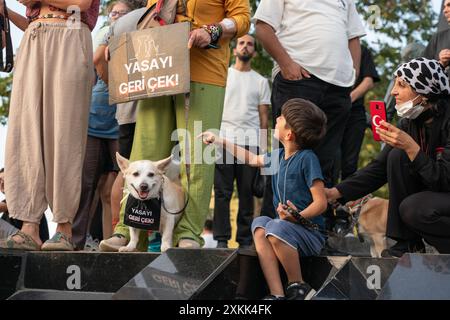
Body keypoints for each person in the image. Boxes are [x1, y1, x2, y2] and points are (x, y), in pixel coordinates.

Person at [99, 0, 251, 251]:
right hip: (157, 69)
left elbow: (242, 18)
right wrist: (124, 48)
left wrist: (211, 31)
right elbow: (153, 17)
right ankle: (129, 231)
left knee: (198, 156)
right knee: (144, 152)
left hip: (203, 71)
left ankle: (188, 233)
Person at [199, 98, 328, 300]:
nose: (276, 118)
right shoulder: (277, 157)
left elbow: (321, 203)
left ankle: (298, 285)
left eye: (282, 118)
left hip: (310, 233)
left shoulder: (307, 158)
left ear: (289, 134)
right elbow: (251, 159)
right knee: (260, 224)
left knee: (275, 227)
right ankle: (277, 293)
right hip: (286, 229)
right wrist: (220, 140)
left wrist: (297, 216)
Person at [253, 0, 366, 228]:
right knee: (288, 158)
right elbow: (263, 27)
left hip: (338, 87)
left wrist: (352, 74)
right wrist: (286, 64)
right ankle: (276, 229)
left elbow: (353, 37)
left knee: (326, 163)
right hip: (299, 78)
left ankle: (316, 232)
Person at [0, 0, 99, 251]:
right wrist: (7, 12)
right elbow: (34, 21)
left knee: (65, 132)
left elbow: (80, 3)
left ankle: (64, 229)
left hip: (71, 33)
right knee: (26, 131)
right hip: (35, 38)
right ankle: (29, 226)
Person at [326, 58, 450, 257]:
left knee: (414, 208)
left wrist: (411, 147)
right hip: (433, 193)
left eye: (402, 84)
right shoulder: (409, 122)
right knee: (396, 155)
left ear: (424, 93)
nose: (393, 91)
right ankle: (407, 244)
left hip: (444, 191)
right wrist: (335, 192)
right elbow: (378, 169)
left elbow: (445, 179)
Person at [71, 0, 134, 251]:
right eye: (114, 13)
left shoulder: (137, 38)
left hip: (122, 122)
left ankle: (114, 242)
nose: (116, 16)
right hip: (95, 119)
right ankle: (74, 240)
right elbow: (94, 64)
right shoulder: (103, 35)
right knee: (85, 184)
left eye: (122, 13)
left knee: (115, 187)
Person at [213, 34, 270, 249]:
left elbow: (264, 118)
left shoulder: (261, 81)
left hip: (251, 144)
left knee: (247, 194)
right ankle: (220, 239)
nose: (245, 47)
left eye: (250, 45)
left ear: (254, 52)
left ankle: (245, 240)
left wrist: (264, 151)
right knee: (222, 193)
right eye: (242, 43)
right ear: (235, 49)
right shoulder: (222, 75)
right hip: (223, 140)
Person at [0, 168, 49, 242]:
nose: (2, 183)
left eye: (5, 179)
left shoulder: (21, 198)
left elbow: (2, 206)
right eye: (0, 181)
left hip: (30, 241)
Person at [424, 0, 450, 68]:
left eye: (449, 5)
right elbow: (423, 70)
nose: (444, 10)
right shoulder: (438, 38)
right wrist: (440, 63)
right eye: (444, 7)